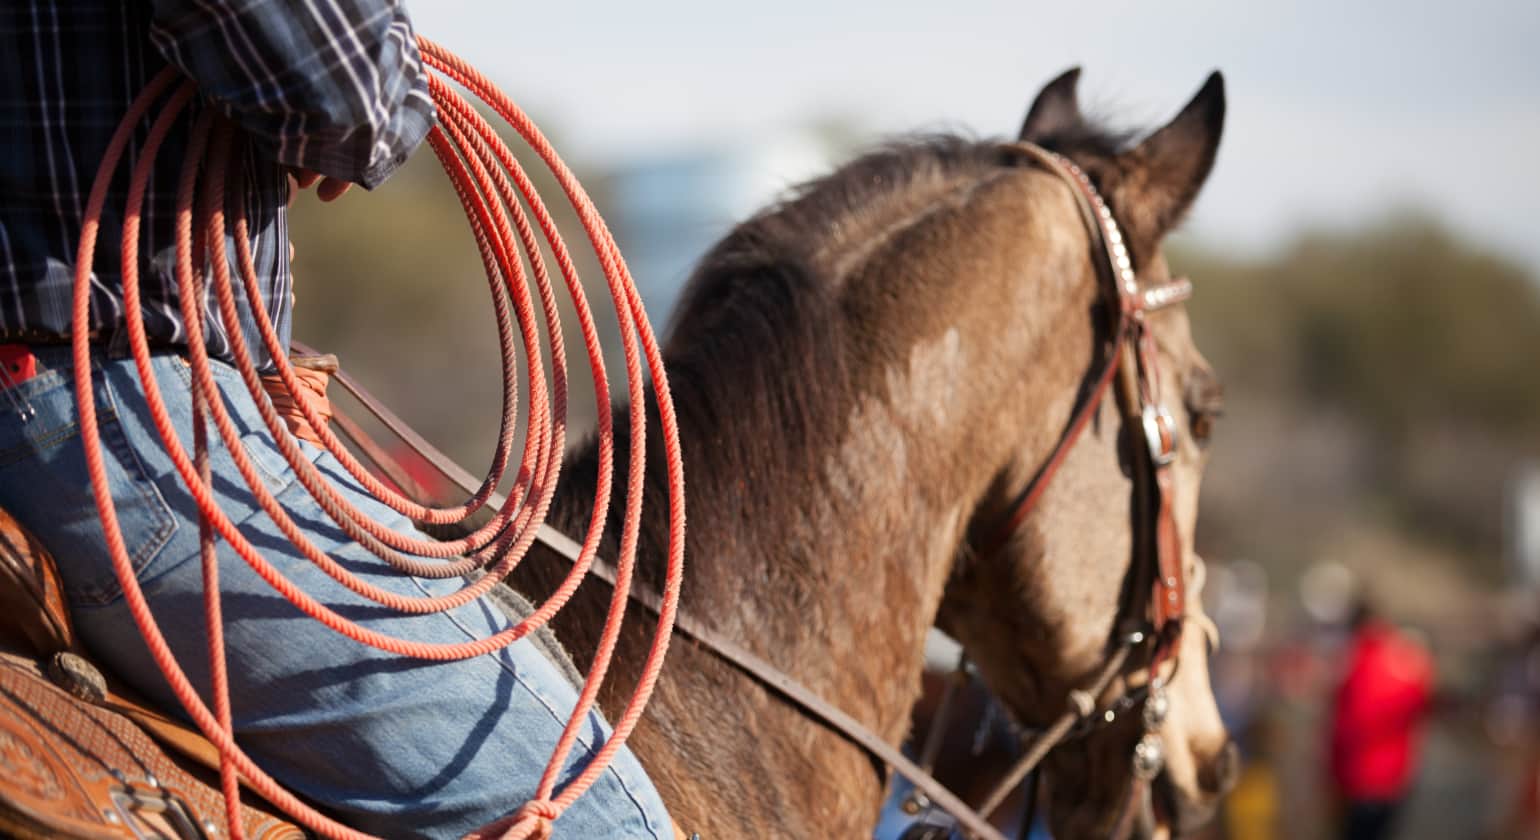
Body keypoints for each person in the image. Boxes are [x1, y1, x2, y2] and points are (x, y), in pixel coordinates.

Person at [0, 3, 674, 838]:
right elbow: (342, 86)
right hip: (108, 421)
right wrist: (376, 94)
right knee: (593, 809)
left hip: (77, 412)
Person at [1327, 599, 1434, 840]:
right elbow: (1422, 703)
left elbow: (1349, 726)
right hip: (1392, 780)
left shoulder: (1358, 660)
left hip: (1358, 781)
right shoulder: (1408, 658)